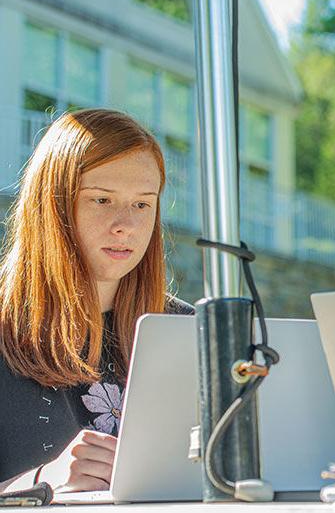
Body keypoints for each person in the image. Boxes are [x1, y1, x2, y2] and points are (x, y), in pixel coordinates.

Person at [0, 109, 194, 494]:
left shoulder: (188, 330)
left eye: (143, 204)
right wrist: (41, 483)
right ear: (51, 205)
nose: (126, 223)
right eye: (102, 199)